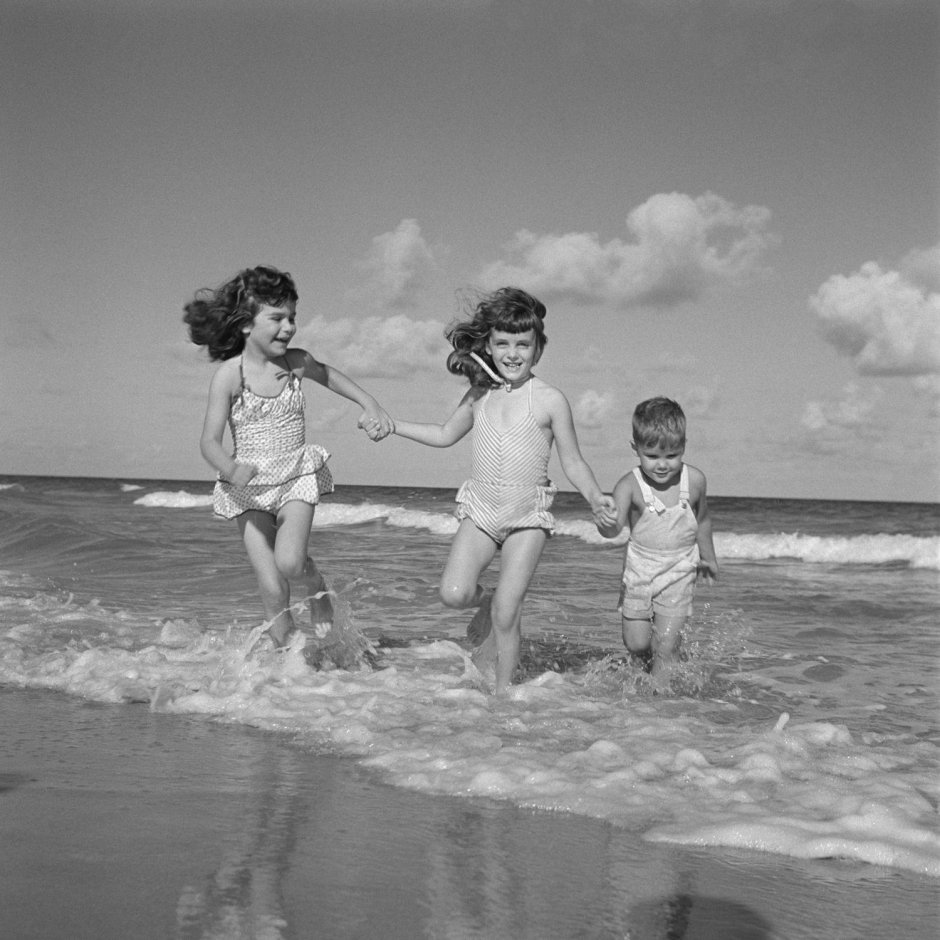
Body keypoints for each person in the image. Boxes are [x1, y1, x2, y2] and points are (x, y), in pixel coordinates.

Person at [389, 287, 616, 694]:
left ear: (538, 349)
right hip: (481, 511)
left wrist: (596, 497)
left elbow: (573, 461)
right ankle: (489, 600)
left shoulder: (549, 400)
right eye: (503, 343)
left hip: (526, 516)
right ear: (488, 347)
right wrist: (393, 425)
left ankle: (503, 696)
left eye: (523, 345)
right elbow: (444, 434)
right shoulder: (480, 394)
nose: (513, 354)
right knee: (454, 593)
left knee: (509, 613)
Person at [183, 265, 392, 662]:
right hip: (247, 488)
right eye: (277, 318)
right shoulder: (230, 376)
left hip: (295, 477)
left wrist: (371, 404)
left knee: (291, 561)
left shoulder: (296, 364)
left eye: (292, 317)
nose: (289, 327)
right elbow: (209, 442)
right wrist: (230, 469)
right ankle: (291, 665)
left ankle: (318, 587)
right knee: (272, 587)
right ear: (246, 324)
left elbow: (330, 376)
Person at [597, 397, 718, 685]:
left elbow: (702, 520)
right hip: (640, 572)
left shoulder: (695, 481)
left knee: (664, 645)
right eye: (651, 456)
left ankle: (662, 703)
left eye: (672, 455)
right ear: (635, 448)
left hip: (679, 570)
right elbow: (615, 529)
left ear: (684, 446)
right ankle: (641, 686)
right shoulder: (629, 485)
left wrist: (709, 556)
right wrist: (606, 525)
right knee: (637, 644)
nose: (662, 465)